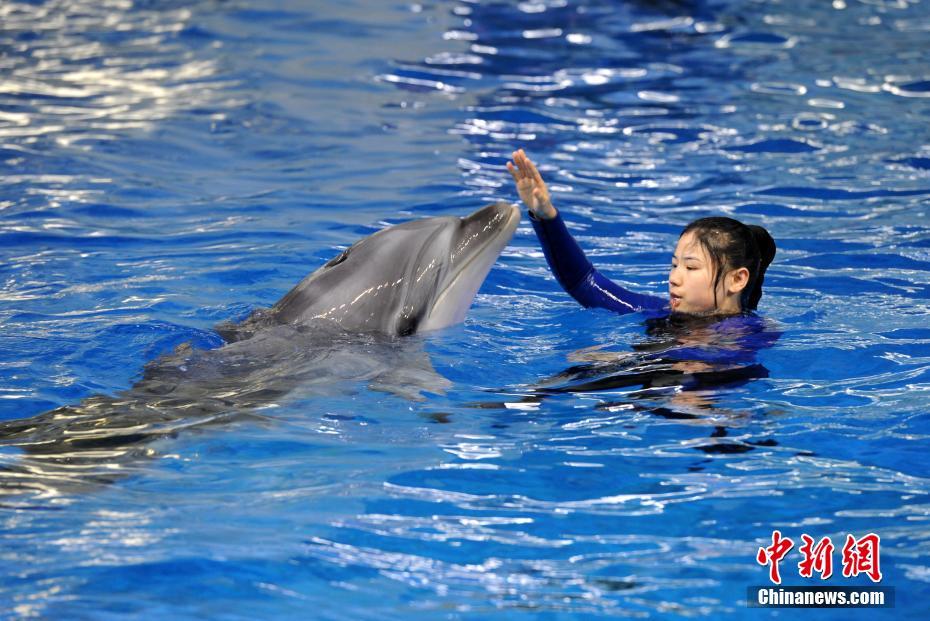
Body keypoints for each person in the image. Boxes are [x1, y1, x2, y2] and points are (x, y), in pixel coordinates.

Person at [506, 149, 776, 318]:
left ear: (737, 279)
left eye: (691, 267)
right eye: (674, 265)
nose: (674, 278)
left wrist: (623, 362)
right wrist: (546, 216)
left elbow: (700, 382)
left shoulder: (751, 339)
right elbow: (583, 282)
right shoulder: (659, 313)